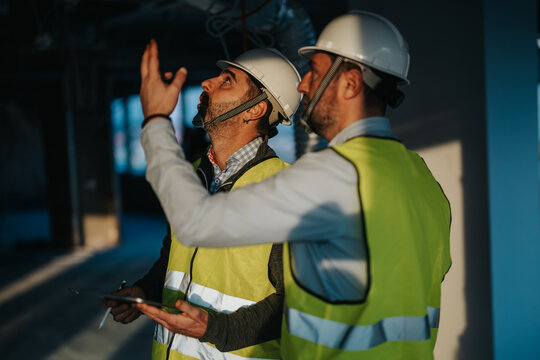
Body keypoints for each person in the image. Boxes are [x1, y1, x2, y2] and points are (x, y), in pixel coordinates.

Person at [136, 11, 451, 360]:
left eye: (314, 72)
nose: (302, 86)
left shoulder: (335, 173)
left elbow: (196, 222)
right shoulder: (424, 182)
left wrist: (155, 121)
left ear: (350, 84)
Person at [103, 45, 302, 360]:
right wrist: (144, 291)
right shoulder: (193, 175)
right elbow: (175, 259)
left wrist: (214, 329)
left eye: (227, 80)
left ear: (255, 109)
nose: (207, 83)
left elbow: (296, 303)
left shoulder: (285, 192)